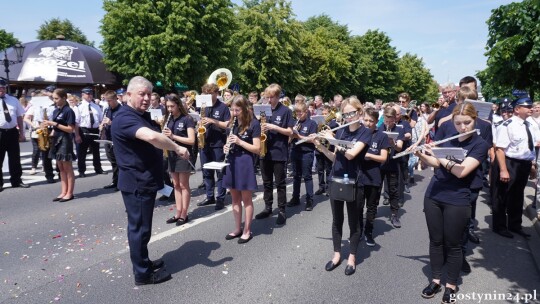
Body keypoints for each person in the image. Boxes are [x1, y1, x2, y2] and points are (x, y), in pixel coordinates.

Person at [112, 76, 190, 285]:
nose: (146, 98)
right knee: (139, 228)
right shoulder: (125, 117)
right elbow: (152, 138)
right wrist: (176, 146)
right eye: (141, 94)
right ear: (128, 95)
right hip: (136, 182)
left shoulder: (139, 114)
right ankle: (142, 274)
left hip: (143, 180)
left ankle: (143, 261)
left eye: (148, 94)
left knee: (142, 227)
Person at [416, 102, 489, 303]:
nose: (462, 127)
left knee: (453, 244)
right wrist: (421, 154)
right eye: (458, 123)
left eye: (467, 122)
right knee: (436, 240)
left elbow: (461, 171)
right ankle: (436, 280)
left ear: (474, 120)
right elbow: (435, 164)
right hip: (434, 194)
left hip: (458, 198)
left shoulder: (480, 144)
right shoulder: (449, 136)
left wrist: (440, 155)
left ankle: (451, 285)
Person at [315, 97, 370, 276]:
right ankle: (337, 254)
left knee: (354, 221)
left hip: (355, 182)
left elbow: (351, 155)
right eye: (345, 114)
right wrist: (321, 147)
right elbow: (336, 158)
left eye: (351, 113)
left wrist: (332, 140)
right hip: (336, 179)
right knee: (336, 220)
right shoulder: (340, 132)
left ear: (359, 112)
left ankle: (352, 257)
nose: (348, 117)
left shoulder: (365, 133)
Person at [492, 97, 539, 239]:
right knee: (502, 196)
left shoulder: (529, 125)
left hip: (523, 164)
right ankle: (499, 226)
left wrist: (531, 167)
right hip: (509, 162)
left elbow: (528, 148)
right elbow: (500, 149)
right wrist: (503, 170)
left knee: (517, 196)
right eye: (527, 106)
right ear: (517, 109)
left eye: (531, 106)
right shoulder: (507, 125)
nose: (531, 108)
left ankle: (515, 225)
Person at [222, 95, 261, 243]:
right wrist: (226, 147)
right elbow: (228, 142)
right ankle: (237, 228)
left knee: (246, 199)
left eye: (237, 110)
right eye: (232, 109)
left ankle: (247, 230)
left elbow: (257, 149)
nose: (234, 112)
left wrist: (239, 142)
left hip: (245, 162)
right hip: (232, 160)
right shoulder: (231, 124)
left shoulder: (253, 124)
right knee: (234, 198)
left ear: (244, 109)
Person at [254, 84, 294, 225]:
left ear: (278, 97)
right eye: (267, 97)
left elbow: (290, 132)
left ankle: (282, 210)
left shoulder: (286, 111)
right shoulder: (263, 110)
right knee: (266, 182)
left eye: (271, 97)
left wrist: (274, 127)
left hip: (279, 151)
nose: (269, 100)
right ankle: (268, 207)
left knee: (280, 183)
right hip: (264, 151)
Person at [196, 83, 231, 210]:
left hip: (218, 143)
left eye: (210, 94)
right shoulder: (203, 107)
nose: (208, 96)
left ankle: (220, 198)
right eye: (206, 94)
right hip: (205, 142)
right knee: (206, 172)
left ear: (216, 93)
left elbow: (227, 124)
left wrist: (212, 121)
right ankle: (209, 196)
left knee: (220, 172)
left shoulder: (223, 107)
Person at [162, 93, 195, 226]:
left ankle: (184, 213)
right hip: (172, 154)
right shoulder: (167, 119)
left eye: (172, 106)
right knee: (175, 184)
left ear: (178, 105)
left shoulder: (187, 119)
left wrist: (173, 136)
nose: (170, 109)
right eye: (168, 107)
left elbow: (191, 140)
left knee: (183, 184)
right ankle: (178, 211)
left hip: (184, 154)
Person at [360, 108, 390, 246]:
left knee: (371, 207)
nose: (368, 123)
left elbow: (383, 158)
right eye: (365, 120)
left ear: (377, 122)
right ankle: (358, 231)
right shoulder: (358, 133)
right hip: (359, 175)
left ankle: (368, 232)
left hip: (374, 177)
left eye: (371, 121)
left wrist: (369, 155)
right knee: (358, 206)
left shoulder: (382, 136)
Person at [44, 89, 77, 202]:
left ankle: (70, 193)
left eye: (57, 98)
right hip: (57, 139)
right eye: (54, 98)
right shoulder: (55, 111)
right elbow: (55, 128)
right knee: (60, 168)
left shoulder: (68, 111)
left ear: (64, 98)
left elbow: (70, 129)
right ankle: (63, 191)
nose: (55, 100)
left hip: (65, 140)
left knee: (67, 167)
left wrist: (55, 124)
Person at [287, 102, 318, 211]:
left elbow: (311, 139)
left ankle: (310, 199)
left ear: (306, 112)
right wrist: (291, 135)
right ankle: (295, 197)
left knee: (307, 176)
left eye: (300, 112)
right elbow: (290, 139)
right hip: (295, 151)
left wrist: (298, 135)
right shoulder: (295, 122)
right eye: (297, 112)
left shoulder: (312, 123)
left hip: (306, 152)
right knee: (296, 176)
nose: (298, 114)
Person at [0, 79, 29, 192]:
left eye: (3, 87)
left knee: (15, 158)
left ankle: (16, 181)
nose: (1, 90)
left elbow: (19, 117)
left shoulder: (13, 100)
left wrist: (21, 132)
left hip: (12, 131)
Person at [379, 106, 405, 228]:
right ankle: (371, 213)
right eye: (386, 121)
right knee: (375, 188)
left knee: (393, 189)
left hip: (393, 163)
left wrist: (392, 143)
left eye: (391, 121)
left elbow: (399, 147)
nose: (388, 123)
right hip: (380, 163)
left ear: (395, 119)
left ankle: (394, 214)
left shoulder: (399, 130)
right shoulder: (379, 128)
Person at [23, 93, 56, 182]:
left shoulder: (52, 107)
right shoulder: (34, 107)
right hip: (39, 130)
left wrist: (54, 130)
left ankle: (59, 172)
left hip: (51, 130)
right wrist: (35, 126)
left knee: (53, 152)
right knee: (42, 152)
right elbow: (26, 118)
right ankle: (49, 175)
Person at [76, 87, 105, 177]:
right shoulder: (79, 106)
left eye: (91, 94)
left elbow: (101, 120)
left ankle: (98, 168)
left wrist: (102, 131)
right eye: (87, 94)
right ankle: (81, 170)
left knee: (96, 151)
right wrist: (77, 135)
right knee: (82, 152)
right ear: (83, 95)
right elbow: (76, 122)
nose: (89, 96)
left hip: (95, 130)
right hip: (84, 130)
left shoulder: (97, 106)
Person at [100, 90, 122, 191]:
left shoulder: (121, 110)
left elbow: (122, 126)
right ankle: (115, 181)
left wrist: (111, 123)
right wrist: (102, 125)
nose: (108, 103)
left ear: (115, 99)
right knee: (112, 161)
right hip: (108, 138)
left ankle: (120, 182)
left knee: (119, 162)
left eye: (109, 101)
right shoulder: (107, 109)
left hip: (117, 140)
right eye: (106, 101)